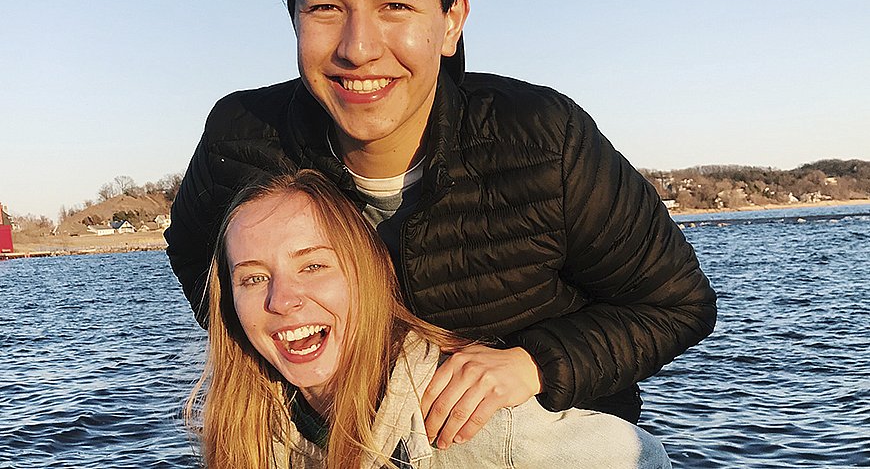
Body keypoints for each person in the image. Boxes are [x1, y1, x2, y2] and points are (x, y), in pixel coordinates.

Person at [168, 0, 716, 449]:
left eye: (394, 5)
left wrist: (533, 364)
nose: (358, 48)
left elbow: (676, 304)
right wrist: (292, 352)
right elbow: (197, 257)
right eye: (325, 8)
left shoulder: (544, 140)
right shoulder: (240, 140)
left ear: (452, 20)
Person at [185, 169, 673, 468]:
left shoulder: (470, 424)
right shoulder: (250, 432)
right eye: (252, 278)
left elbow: (641, 459)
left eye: (313, 266)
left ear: (366, 275)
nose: (282, 300)